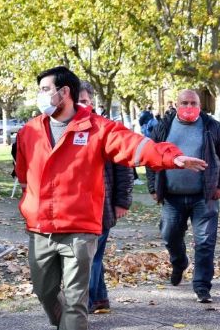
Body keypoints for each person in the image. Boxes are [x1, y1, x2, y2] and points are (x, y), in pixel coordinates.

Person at [15, 66, 206, 330]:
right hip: (40, 229)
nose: (40, 95)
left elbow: (135, 146)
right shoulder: (30, 131)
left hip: (79, 230)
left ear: (64, 92)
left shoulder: (98, 129)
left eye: (45, 89)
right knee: (44, 292)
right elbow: (25, 175)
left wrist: (171, 157)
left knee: (75, 301)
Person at [146, 89, 220, 305]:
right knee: (169, 236)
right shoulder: (163, 127)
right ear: (176, 105)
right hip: (172, 197)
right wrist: (153, 187)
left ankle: (202, 287)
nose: (189, 107)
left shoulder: (212, 127)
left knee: (205, 243)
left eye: (193, 103)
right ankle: (179, 262)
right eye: (184, 103)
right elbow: (151, 156)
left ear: (200, 105)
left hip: (204, 197)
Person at [77, 81, 134, 313]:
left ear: (92, 102)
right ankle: (100, 299)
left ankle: (88, 302)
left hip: (102, 206)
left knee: (90, 257)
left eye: (85, 101)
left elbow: (125, 167)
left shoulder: (106, 129)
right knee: (91, 256)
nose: (81, 105)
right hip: (77, 207)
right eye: (77, 101)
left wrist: (122, 201)